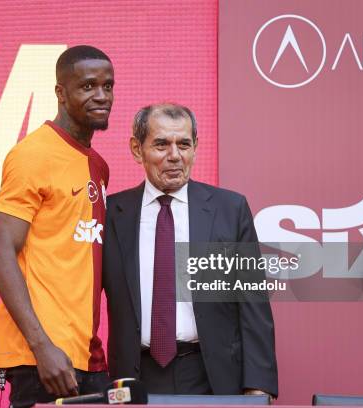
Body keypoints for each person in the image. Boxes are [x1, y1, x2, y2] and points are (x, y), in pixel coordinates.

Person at [102, 103, 278, 397]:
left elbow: (253, 304)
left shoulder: (229, 209)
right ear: (137, 149)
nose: (174, 155)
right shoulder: (111, 214)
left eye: (183, 144)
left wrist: (259, 385)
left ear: (195, 147)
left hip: (213, 378)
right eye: (161, 144)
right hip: (134, 379)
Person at [0, 45, 114, 408]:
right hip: (42, 360)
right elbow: (0, 255)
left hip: (87, 357)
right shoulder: (32, 154)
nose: (101, 96)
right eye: (88, 86)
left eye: (108, 86)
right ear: (60, 93)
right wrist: (42, 346)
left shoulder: (98, 165)